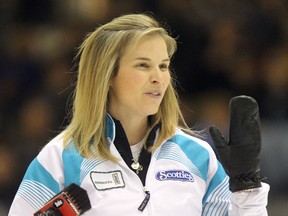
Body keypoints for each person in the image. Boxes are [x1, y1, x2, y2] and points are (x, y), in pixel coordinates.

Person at [9, 13, 269, 215]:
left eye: (163, 66)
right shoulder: (62, 158)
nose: (158, 77)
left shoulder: (197, 156)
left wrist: (246, 189)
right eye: (143, 65)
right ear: (107, 74)